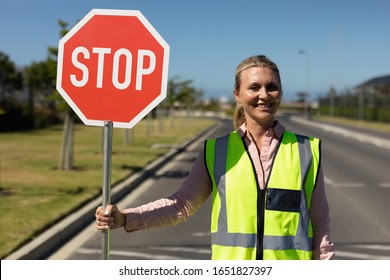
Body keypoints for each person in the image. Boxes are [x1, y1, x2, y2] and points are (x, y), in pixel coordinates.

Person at [95, 55, 335, 260]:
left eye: (271, 87)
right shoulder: (216, 151)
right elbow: (181, 206)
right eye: (254, 87)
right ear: (237, 95)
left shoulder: (307, 149)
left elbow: (320, 226)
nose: (264, 95)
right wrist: (125, 218)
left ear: (280, 92)